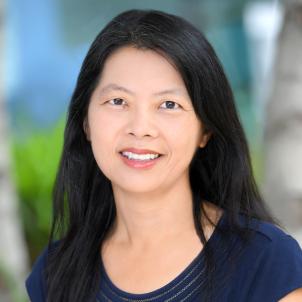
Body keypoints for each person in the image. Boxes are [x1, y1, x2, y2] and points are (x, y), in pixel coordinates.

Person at [25, 9, 302, 302]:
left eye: (169, 104)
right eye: (118, 101)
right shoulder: (56, 272)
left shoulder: (266, 263)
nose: (140, 128)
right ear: (86, 122)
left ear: (205, 130)